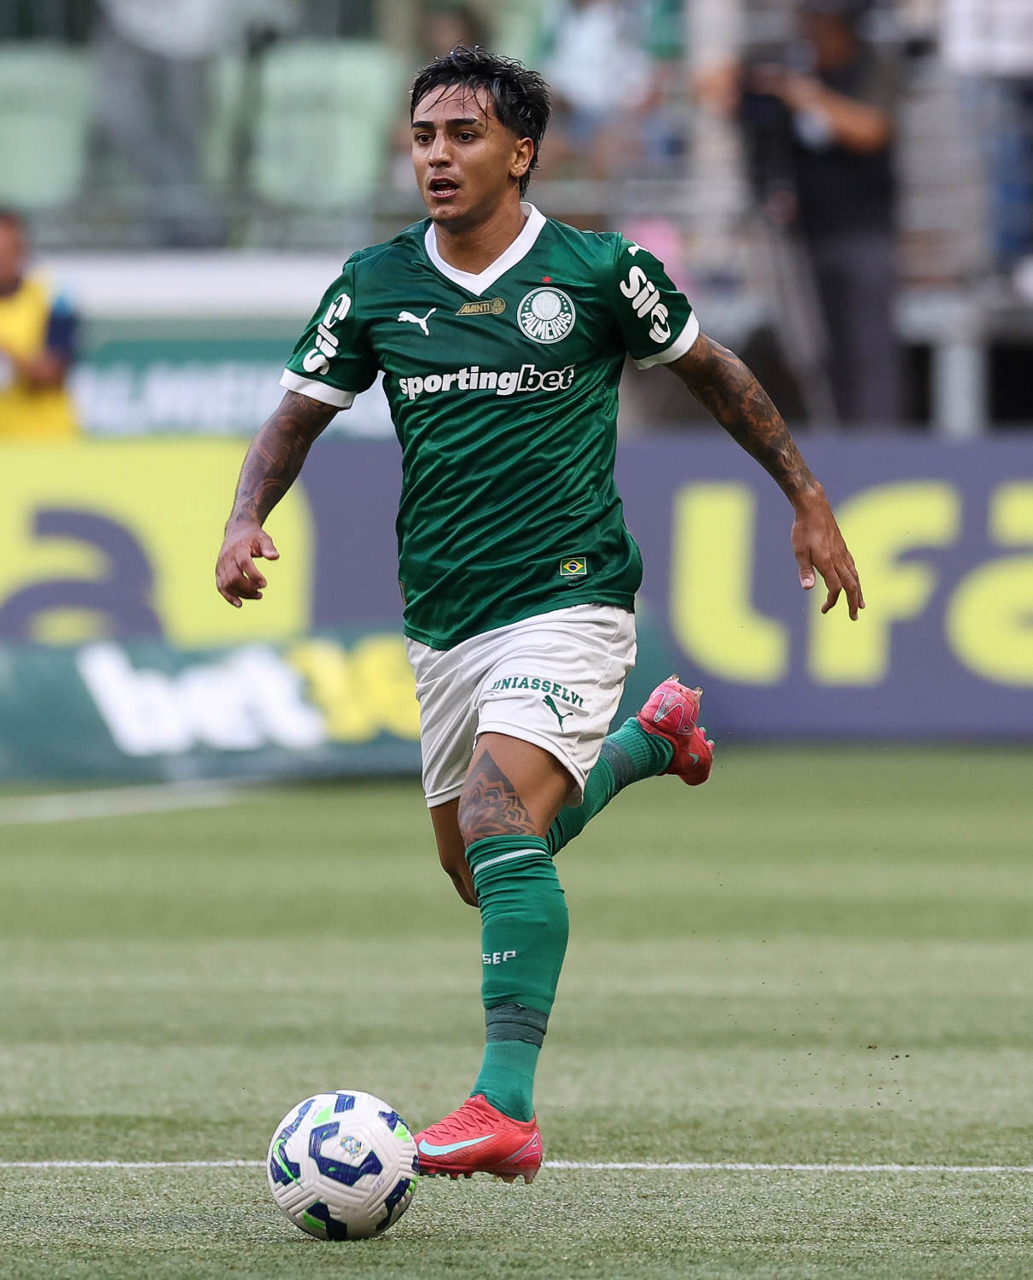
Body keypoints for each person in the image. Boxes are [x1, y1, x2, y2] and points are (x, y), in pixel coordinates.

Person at [215, 45, 863, 1184]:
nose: (436, 156)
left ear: (521, 152)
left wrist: (807, 500)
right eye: (423, 136)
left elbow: (717, 372)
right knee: (480, 866)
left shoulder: (599, 272)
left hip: (572, 594)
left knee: (494, 814)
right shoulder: (374, 285)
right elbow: (296, 416)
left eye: (462, 136)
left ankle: (502, 1106)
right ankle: (650, 744)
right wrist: (242, 518)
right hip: (443, 617)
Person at [710, 0, 902, 424]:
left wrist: (805, 97)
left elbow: (871, 130)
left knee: (869, 350)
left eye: (821, 24)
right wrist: (746, 87)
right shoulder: (794, 64)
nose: (812, 33)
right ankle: (836, 436)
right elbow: (719, 92)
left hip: (864, 233)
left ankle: (879, 440)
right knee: (819, 350)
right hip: (807, 234)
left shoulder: (872, 64)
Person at [0, 210, 79, 440]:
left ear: (22, 250)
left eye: (7, 251)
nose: (2, 260)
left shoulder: (53, 297)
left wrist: (8, 355)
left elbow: (52, 372)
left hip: (47, 442)